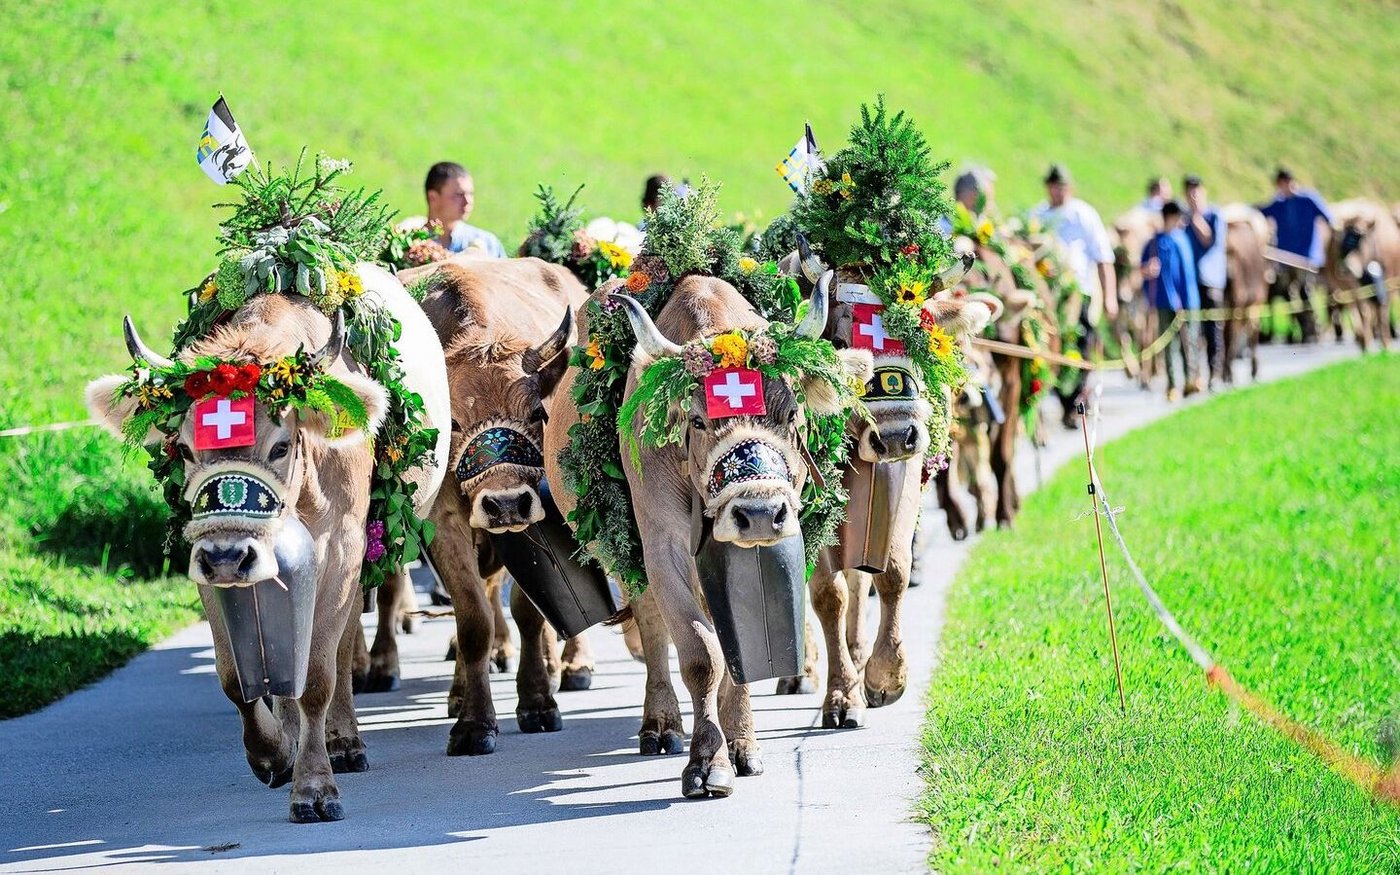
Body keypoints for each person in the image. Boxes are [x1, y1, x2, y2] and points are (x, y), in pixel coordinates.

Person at [1031, 164, 1118, 427]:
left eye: (1062, 187)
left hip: (1079, 292)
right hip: (1049, 296)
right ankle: (1060, 399)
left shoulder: (1084, 214)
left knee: (1080, 346)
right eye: (1053, 187)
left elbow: (1103, 258)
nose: (1057, 192)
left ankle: (1076, 402)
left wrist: (1110, 296)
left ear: (1069, 188)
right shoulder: (1039, 215)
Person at [1258, 167, 1332, 342]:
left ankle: (1315, 329)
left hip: (1306, 258)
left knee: (1305, 291)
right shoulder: (1280, 204)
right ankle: (1304, 328)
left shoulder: (1308, 199)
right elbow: (1262, 211)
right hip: (1285, 258)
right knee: (1288, 293)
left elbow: (1329, 218)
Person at [1140, 201, 1202, 401]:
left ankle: (1191, 379)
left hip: (1187, 301)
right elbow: (1142, 270)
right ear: (1171, 217)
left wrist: (1186, 299)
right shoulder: (1154, 243)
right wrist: (1148, 270)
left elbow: (1187, 274)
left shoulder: (1182, 239)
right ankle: (1173, 384)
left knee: (1189, 341)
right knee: (1169, 344)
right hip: (1164, 301)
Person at [1182, 175, 1228, 385]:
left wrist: (1196, 218)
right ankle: (1195, 375)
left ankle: (1216, 373)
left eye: (1196, 191)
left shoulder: (1214, 215)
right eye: (1189, 192)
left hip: (1211, 282)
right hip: (1190, 283)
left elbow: (1209, 240)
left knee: (1213, 330)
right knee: (1192, 331)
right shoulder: (1183, 220)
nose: (1193, 196)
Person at [421, 161, 506, 258]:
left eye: (470, 194)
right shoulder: (411, 249)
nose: (468, 201)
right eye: (458, 195)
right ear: (433, 198)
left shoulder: (488, 244)